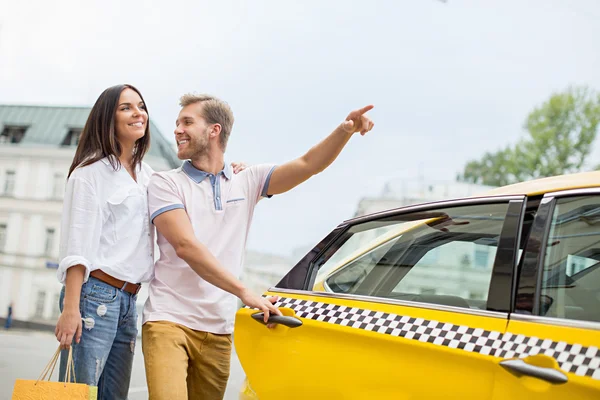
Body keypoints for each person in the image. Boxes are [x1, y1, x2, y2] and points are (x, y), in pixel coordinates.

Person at [142, 93, 375, 400]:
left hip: (218, 330)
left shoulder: (247, 180)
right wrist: (244, 292)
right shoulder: (165, 184)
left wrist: (344, 130)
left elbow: (308, 164)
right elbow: (186, 246)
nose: (177, 130)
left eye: (187, 122)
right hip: (168, 320)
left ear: (214, 130)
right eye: (177, 123)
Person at [54, 84, 245, 399]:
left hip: (130, 301)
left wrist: (233, 169)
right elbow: (77, 246)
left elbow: (191, 187)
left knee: (114, 395)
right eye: (126, 107)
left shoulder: (148, 176)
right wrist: (71, 307)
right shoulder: (89, 173)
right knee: (78, 394)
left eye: (140, 106)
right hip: (93, 298)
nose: (138, 113)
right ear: (107, 118)